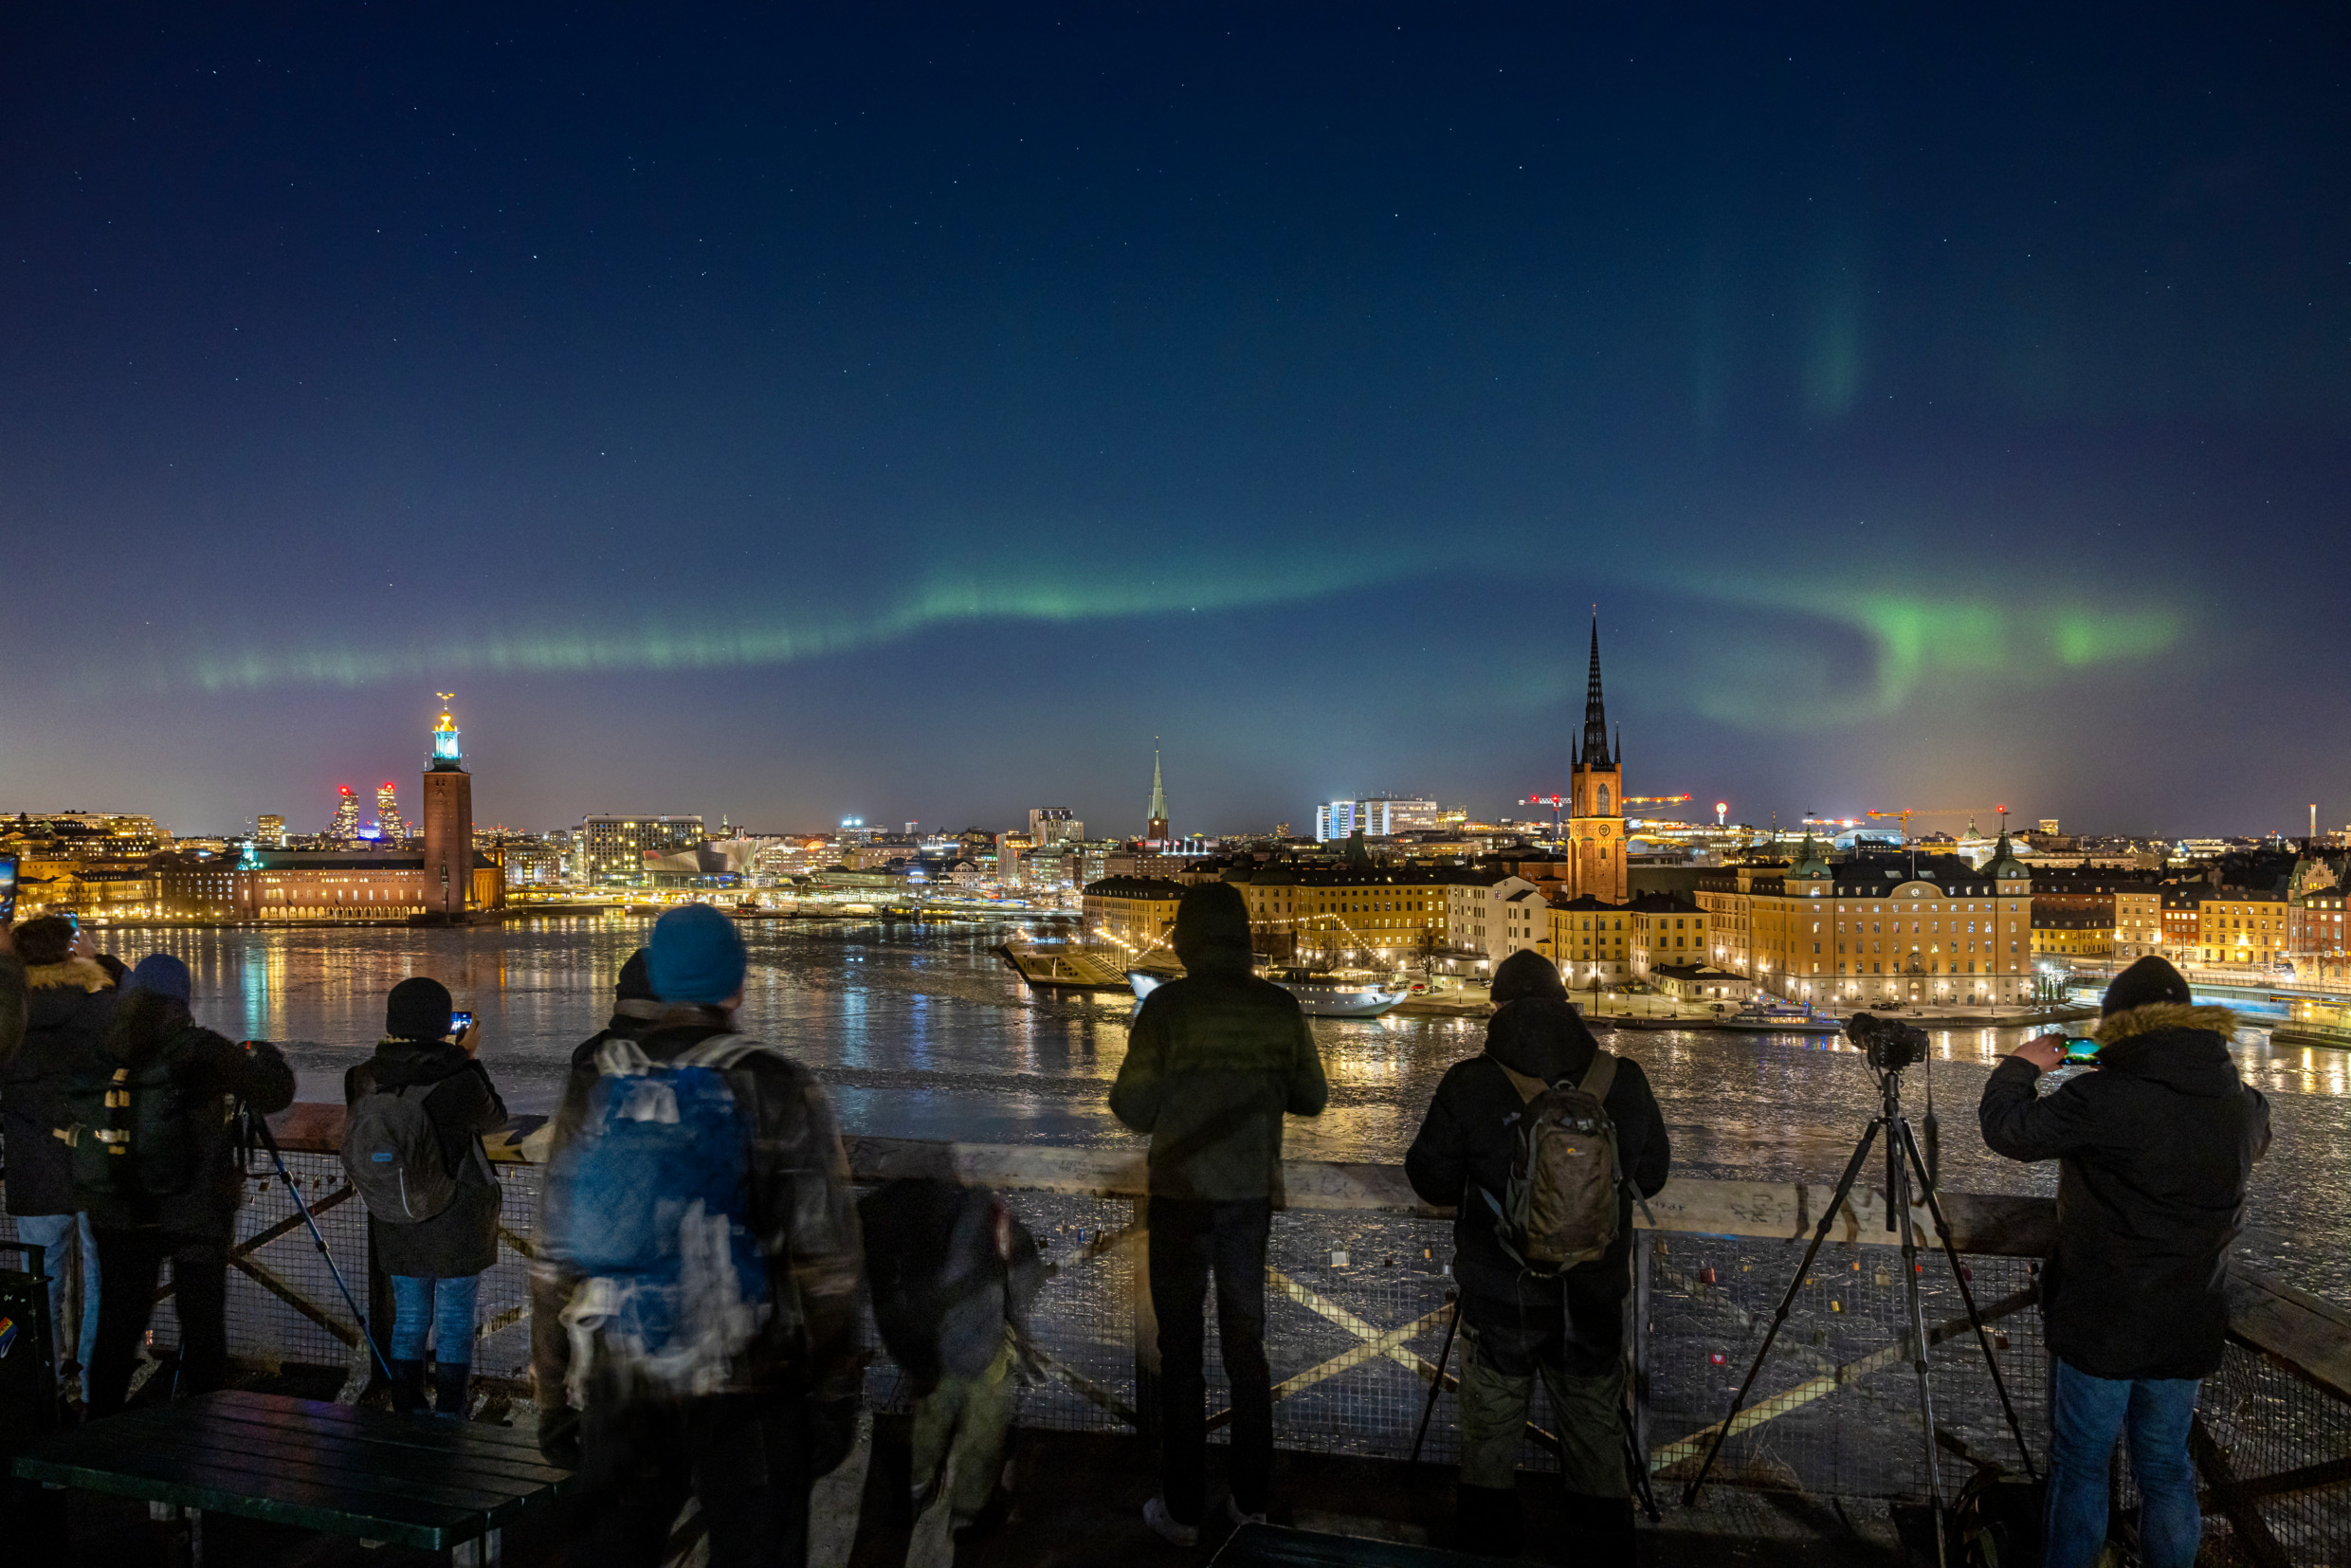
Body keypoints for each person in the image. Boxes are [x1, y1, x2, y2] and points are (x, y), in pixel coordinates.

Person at [535, 908, 864, 1568]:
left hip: (622, 1371)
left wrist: (554, 1390)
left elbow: (556, 1253)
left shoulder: (602, 1077)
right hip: (750, 1381)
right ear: (736, 985)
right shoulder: (776, 1082)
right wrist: (834, 1397)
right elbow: (827, 1265)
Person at [1979, 956, 2270, 1568]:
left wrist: (2021, 1066)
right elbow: (2249, 1136)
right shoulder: (2241, 1104)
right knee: (2166, 1469)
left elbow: (2009, 1129)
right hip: (2187, 1318)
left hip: (2101, 1318)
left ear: (2119, 1027)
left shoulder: (2101, 1098)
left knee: (2082, 1466)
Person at [1403, 950, 1669, 1561]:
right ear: (1566, 1005)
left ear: (1499, 1010)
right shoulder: (1621, 1079)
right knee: (1595, 1431)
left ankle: (1490, 1547)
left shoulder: (1471, 1082)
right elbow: (1651, 1176)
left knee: (1491, 1433)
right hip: (1595, 1295)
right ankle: (1601, 1551)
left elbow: (1430, 1179)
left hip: (1502, 1296)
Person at [1108, 881, 1328, 1546]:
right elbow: (1312, 1098)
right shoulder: (1279, 1006)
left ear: (1183, 939)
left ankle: (1180, 1509)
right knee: (1246, 1352)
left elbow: (1131, 1109)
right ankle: (1250, 1504)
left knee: (1181, 1358)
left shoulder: (1167, 1008)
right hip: (1247, 1203)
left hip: (1179, 1199)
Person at [72, 953, 294, 1415]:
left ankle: (100, 1432)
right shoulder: (201, 1049)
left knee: (118, 1328)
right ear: (183, 998)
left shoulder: (101, 1045)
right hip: (194, 1210)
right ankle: (201, 1435)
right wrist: (264, 1054)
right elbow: (275, 1093)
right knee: (202, 1328)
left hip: (117, 1209)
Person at [344, 976, 507, 1417]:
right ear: (443, 1022)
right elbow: (494, 1118)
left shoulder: (362, 1077)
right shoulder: (459, 1076)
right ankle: (451, 1414)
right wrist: (467, 1056)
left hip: (395, 1210)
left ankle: (407, 1410)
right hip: (457, 1215)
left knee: (410, 1318)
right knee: (454, 1318)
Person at [860, 1174, 1046, 1539]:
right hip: (982, 1348)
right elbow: (1027, 1273)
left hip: (933, 1348)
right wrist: (1013, 1323)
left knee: (932, 1413)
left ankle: (919, 1486)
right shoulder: (996, 1220)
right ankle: (967, 1512)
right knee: (984, 1430)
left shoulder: (913, 1218)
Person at [0, 916, 120, 1407]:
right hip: (97, 1164)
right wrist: (101, 964)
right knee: (103, 1289)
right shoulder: (101, 1007)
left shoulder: (11, 1016)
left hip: (34, 1169)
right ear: (73, 953)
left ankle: (39, 1398)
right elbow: (147, 1009)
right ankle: (94, 1393)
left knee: (38, 1290)